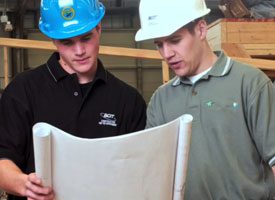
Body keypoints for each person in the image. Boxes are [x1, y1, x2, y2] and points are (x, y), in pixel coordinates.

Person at [0, 0, 146, 199]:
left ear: (99, 27)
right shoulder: (23, 90)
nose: (79, 51)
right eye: (67, 42)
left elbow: (137, 173)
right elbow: (3, 160)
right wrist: (26, 185)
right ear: (53, 39)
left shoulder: (128, 100)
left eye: (86, 38)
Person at [135, 0, 275, 199]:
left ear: (201, 29)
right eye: (159, 44)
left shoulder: (250, 84)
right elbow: (153, 171)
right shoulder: (161, 100)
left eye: (175, 40)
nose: (167, 53)